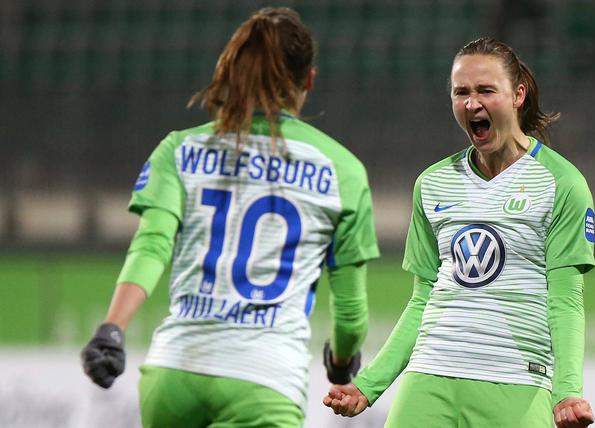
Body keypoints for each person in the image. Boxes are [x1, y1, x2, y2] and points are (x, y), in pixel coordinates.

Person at [80, 7, 379, 428]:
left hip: (173, 373)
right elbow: (350, 313)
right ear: (309, 80)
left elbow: (151, 246)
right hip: (264, 379)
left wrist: (112, 329)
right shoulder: (341, 170)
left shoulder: (181, 149)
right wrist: (341, 359)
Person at [324, 37, 595, 428]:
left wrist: (567, 391)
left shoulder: (562, 184)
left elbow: (566, 300)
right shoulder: (433, 184)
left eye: (485, 90)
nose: (472, 103)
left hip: (516, 381)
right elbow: (423, 299)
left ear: (518, 95)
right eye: (461, 92)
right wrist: (368, 385)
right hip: (430, 375)